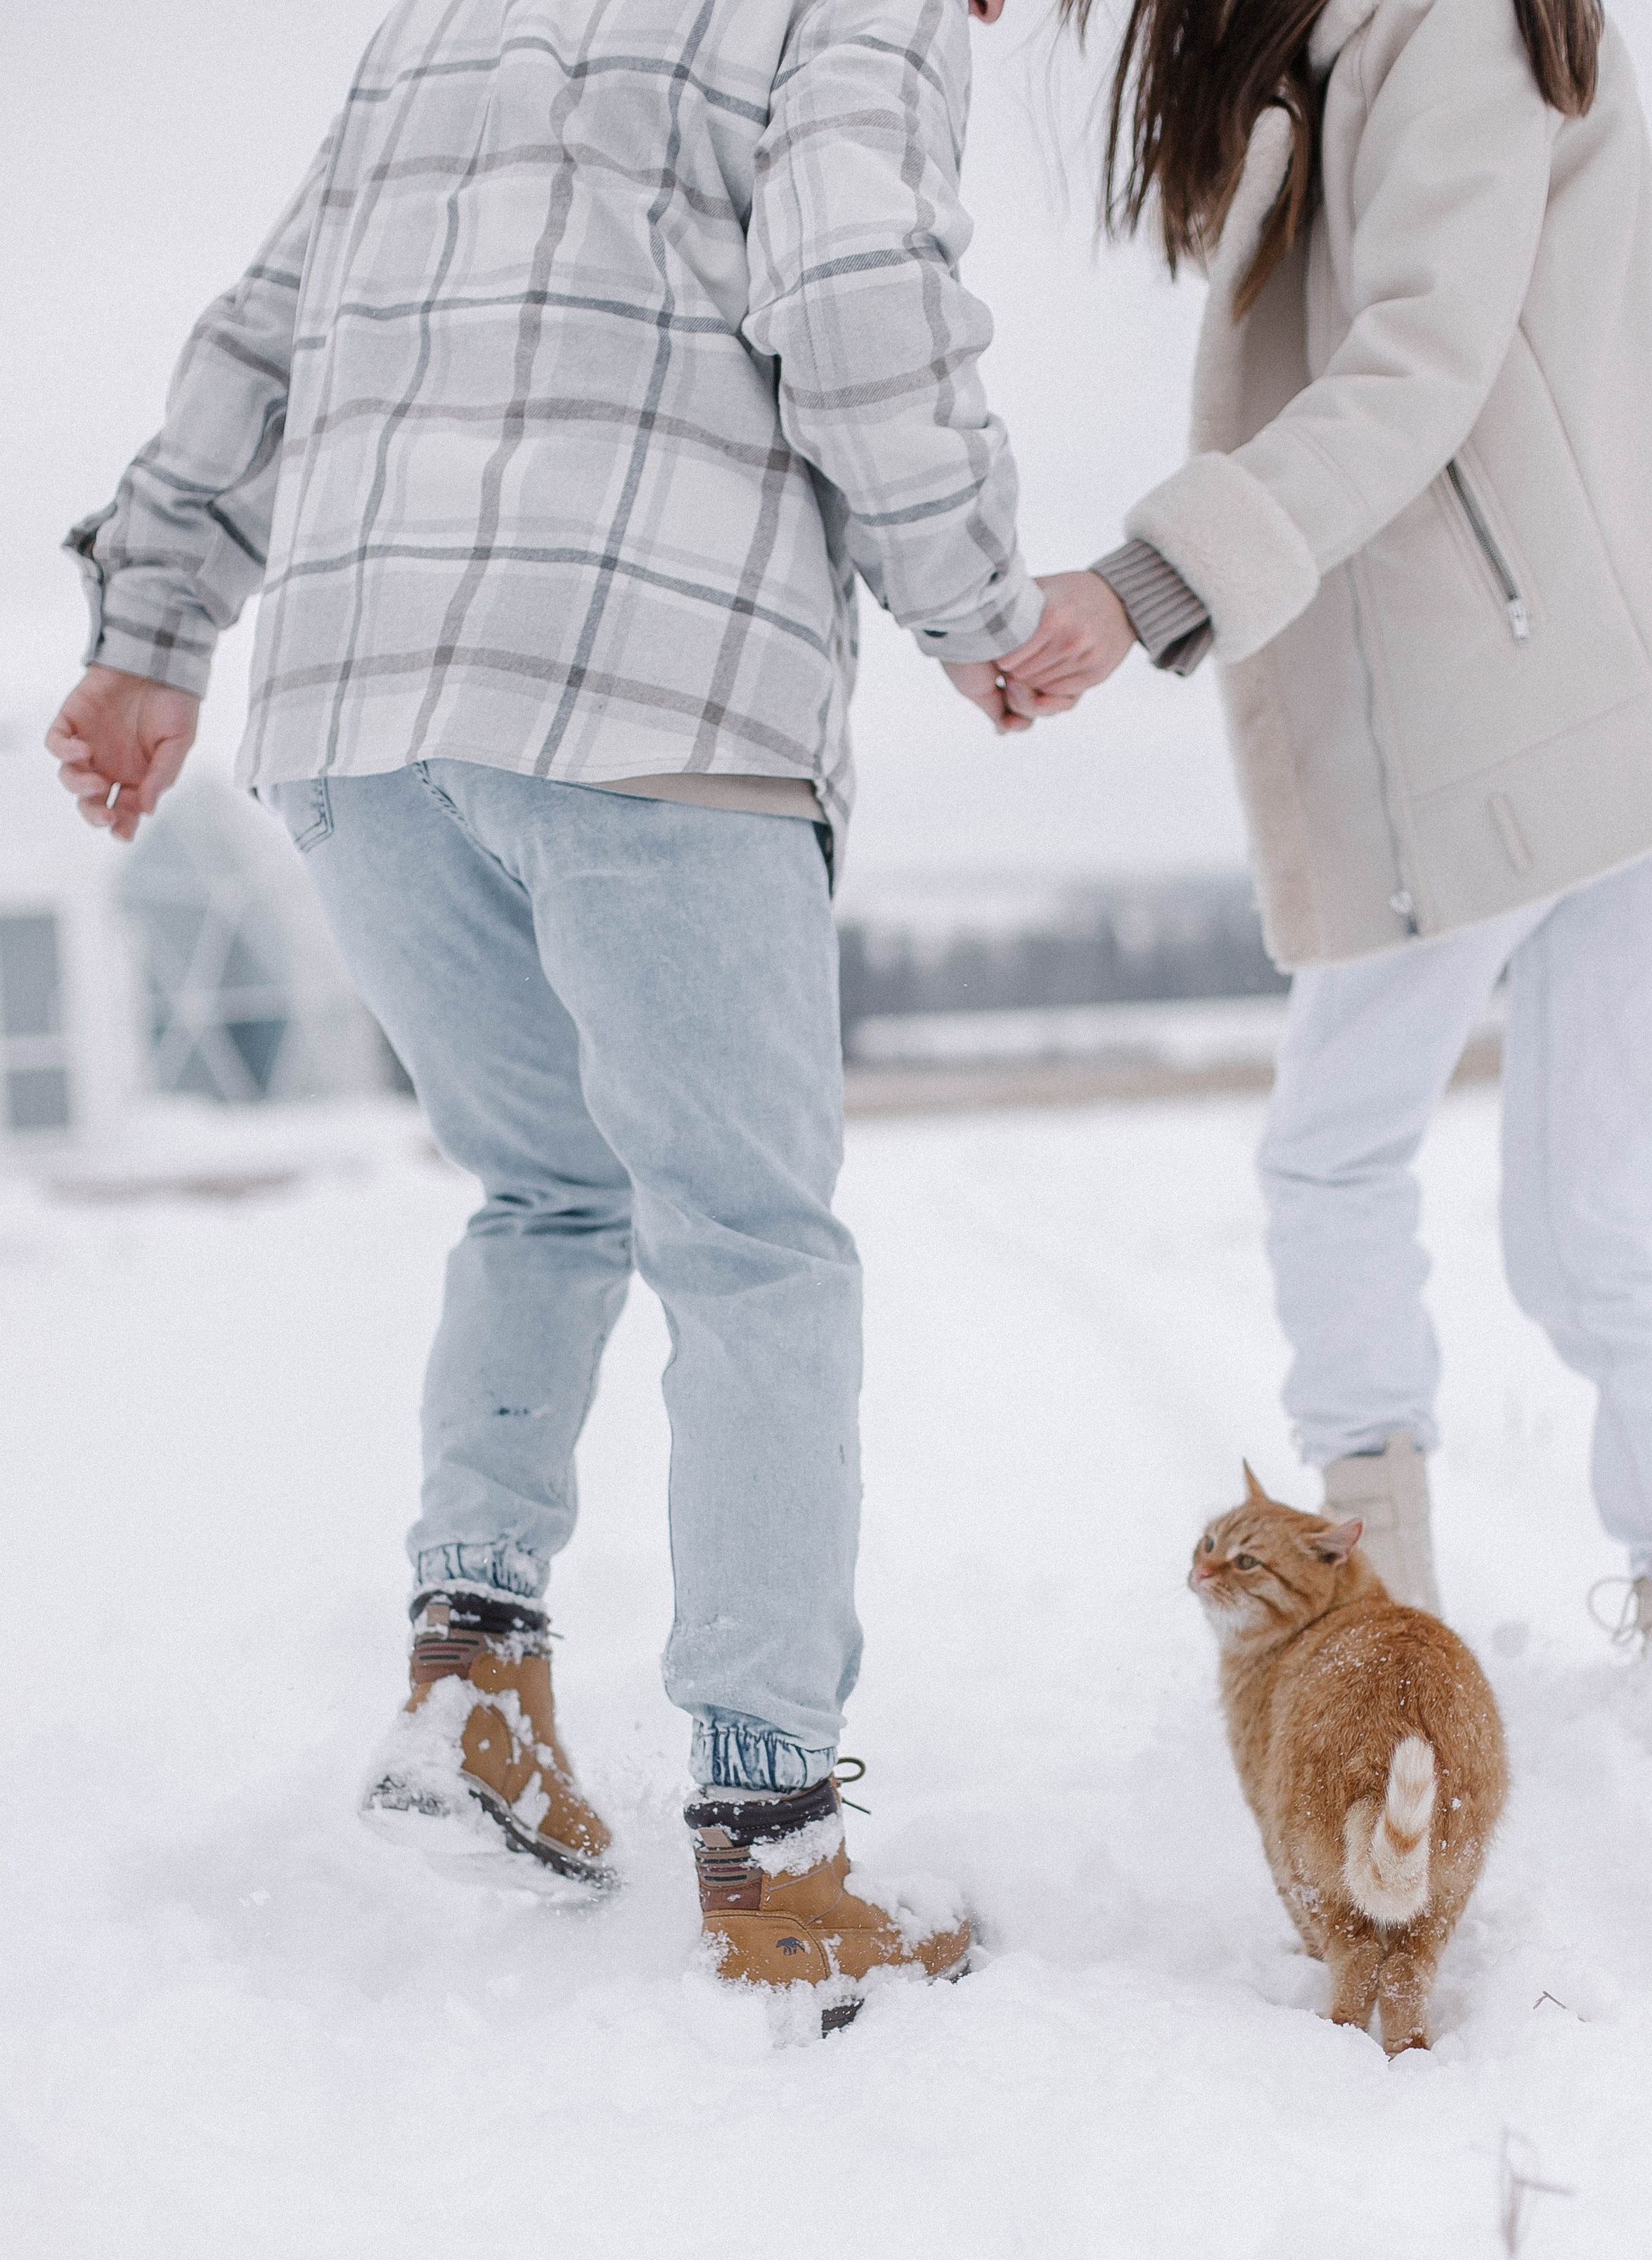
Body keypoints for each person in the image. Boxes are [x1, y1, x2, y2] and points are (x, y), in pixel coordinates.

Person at [48, 0, 1082, 2007]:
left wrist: (154, 626)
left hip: (359, 718)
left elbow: (266, 329)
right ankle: (777, 1855)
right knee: (751, 1250)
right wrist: (976, 603)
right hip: (654, 689)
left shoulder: (447, 14)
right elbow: (854, 287)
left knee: (547, 1191)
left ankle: (478, 1689)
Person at [1001, 0, 1652, 1765]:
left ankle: (1373, 1654)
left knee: (1333, 1157)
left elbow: (1417, 361)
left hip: (1520, 718)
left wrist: (1146, 581)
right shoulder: (1397, 40)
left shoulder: (1436, 27)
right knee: (1605, 1212)